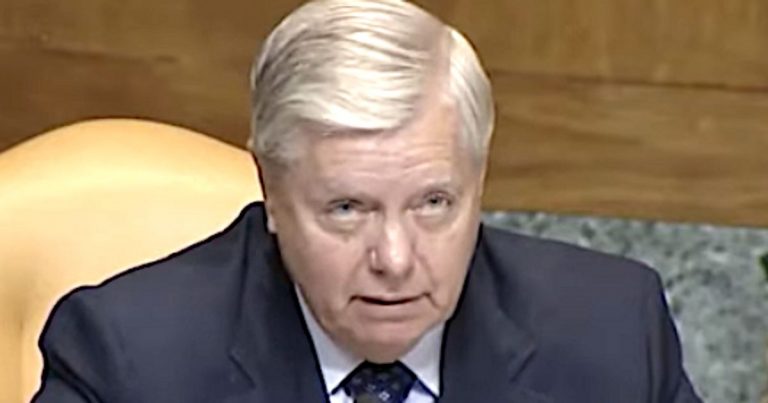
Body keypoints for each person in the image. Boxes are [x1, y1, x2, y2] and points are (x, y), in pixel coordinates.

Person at [33, 1, 703, 402]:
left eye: (433, 203)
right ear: (271, 192)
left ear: (479, 179)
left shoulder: (612, 332)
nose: (396, 259)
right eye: (348, 209)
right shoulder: (128, 360)